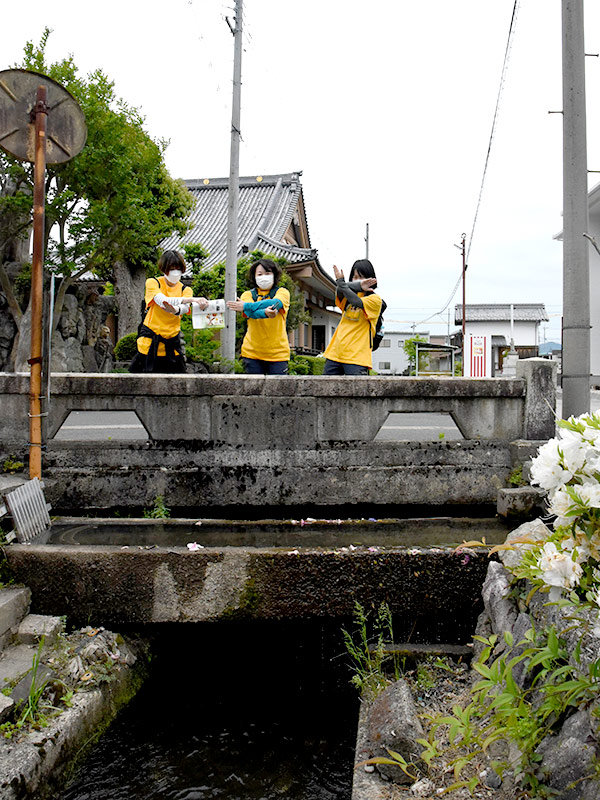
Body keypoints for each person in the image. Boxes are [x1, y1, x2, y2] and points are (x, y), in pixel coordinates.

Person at [129, 250, 208, 373]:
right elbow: (162, 300)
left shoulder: (185, 289)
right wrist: (192, 299)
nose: (175, 272)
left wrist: (175, 310)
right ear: (164, 269)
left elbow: (185, 308)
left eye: (178, 269)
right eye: (171, 269)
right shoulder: (153, 282)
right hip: (150, 343)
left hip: (172, 343)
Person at [227, 258, 290, 374]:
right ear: (254, 276)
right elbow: (251, 314)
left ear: (274, 275)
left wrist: (246, 305)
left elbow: (276, 303)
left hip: (278, 355)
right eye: (260, 274)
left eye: (267, 273)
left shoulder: (282, 292)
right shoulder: (247, 294)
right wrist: (265, 313)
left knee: (277, 391)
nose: (264, 277)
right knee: (252, 391)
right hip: (251, 353)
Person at [322, 259, 382, 375]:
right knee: (326, 391)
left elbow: (356, 302)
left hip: (357, 357)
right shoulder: (346, 293)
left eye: (362, 277)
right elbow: (339, 289)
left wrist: (342, 282)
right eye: (355, 277)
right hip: (335, 352)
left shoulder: (375, 300)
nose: (359, 280)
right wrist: (353, 285)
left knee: (357, 392)